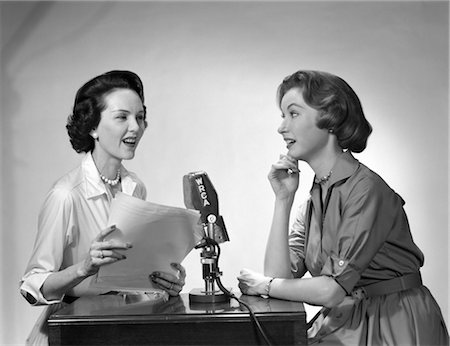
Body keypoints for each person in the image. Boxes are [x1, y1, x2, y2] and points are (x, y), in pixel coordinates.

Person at [237, 70, 449, 345]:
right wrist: (283, 200)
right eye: (282, 116)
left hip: (394, 324)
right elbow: (280, 278)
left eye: (294, 113)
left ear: (331, 119)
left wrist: (264, 286)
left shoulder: (366, 190)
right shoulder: (314, 199)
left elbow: (330, 290)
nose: (282, 127)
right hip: (348, 319)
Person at [20, 70, 187, 344]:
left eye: (140, 117)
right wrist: (84, 267)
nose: (135, 127)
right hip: (69, 332)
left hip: (117, 328)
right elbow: (32, 286)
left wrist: (163, 281)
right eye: (122, 117)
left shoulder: (135, 187)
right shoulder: (65, 195)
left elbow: (128, 272)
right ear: (93, 126)